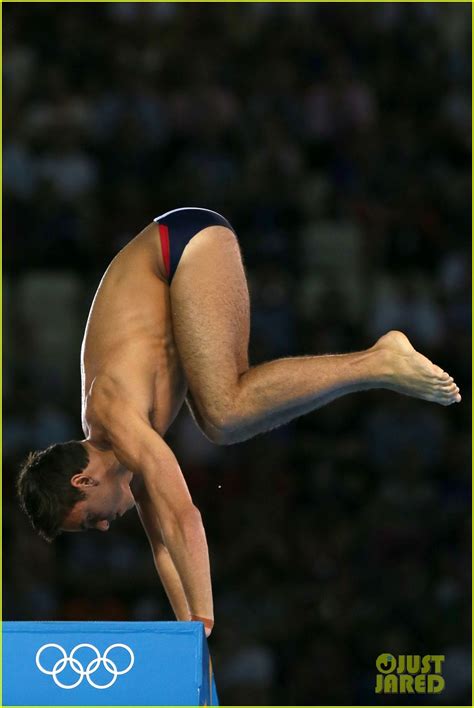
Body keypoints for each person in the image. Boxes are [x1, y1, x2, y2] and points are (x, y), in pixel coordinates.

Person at [17, 207, 461, 636]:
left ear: (83, 482)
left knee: (224, 414)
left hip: (183, 248)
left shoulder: (114, 417)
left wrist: (205, 622)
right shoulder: (126, 455)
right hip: (176, 267)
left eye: (90, 519)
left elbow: (184, 520)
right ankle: (374, 365)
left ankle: (378, 361)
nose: (106, 526)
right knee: (220, 420)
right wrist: (192, 643)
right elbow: (164, 548)